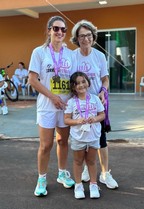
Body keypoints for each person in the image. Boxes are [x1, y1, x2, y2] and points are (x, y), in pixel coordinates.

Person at [28, 16, 75, 197]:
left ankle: (62, 173)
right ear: (49, 30)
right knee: (46, 145)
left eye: (63, 30)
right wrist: (53, 97)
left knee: (63, 141)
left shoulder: (70, 54)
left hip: (66, 105)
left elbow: (75, 78)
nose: (60, 33)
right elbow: (32, 79)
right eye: (56, 29)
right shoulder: (39, 52)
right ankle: (41, 178)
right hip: (47, 105)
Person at [70, 20, 118, 189]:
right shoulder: (72, 55)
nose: (86, 39)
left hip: (97, 105)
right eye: (82, 36)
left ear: (93, 36)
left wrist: (103, 92)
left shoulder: (99, 56)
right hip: (79, 105)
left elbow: (105, 79)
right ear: (77, 38)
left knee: (101, 140)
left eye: (88, 35)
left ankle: (105, 174)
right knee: (82, 139)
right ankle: (85, 169)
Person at [64, 72, 105, 199]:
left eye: (83, 81)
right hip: (78, 137)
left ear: (88, 82)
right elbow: (66, 119)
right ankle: (78, 185)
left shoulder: (95, 99)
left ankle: (93, 184)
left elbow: (102, 115)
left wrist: (95, 119)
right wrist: (77, 121)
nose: (81, 85)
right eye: (77, 83)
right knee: (78, 161)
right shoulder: (71, 102)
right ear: (73, 87)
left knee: (91, 161)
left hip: (93, 136)